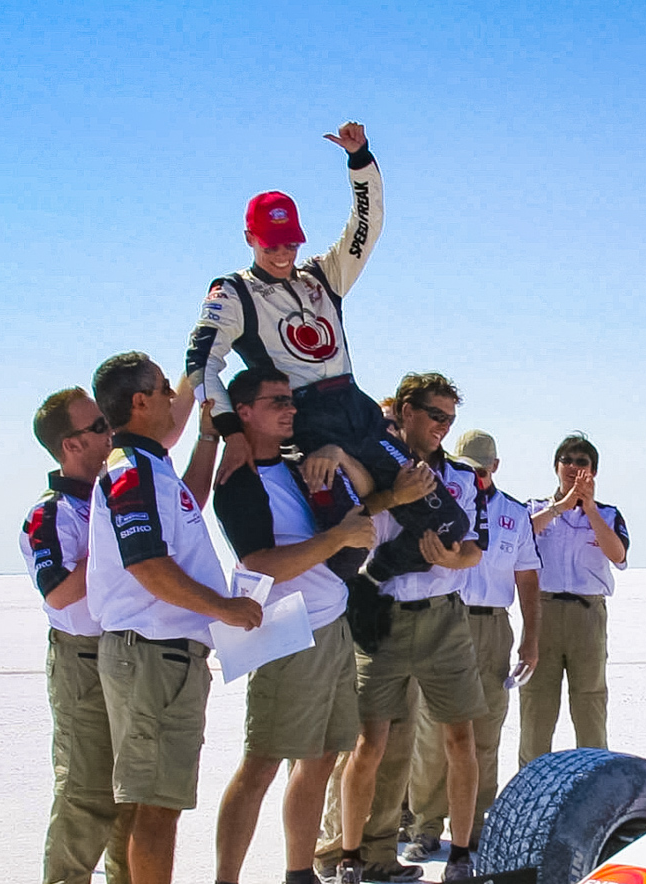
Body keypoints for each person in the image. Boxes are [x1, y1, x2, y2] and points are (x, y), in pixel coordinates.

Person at [182, 120, 467, 579]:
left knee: (451, 523)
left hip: (357, 409)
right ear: (249, 238)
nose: (283, 253)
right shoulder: (233, 292)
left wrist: (360, 162)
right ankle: (344, 602)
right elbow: (201, 366)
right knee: (346, 547)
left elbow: (366, 228)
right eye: (272, 244)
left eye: (291, 242)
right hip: (307, 422)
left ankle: (381, 580)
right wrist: (231, 430)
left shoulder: (321, 276)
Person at [86, 353, 262, 884]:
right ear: (138, 403)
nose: (172, 398)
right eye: (164, 389)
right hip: (152, 654)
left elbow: (192, 496)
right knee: (156, 805)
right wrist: (224, 608)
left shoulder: (153, 468)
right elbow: (148, 565)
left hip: (165, 655)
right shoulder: (130, 470)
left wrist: (212, 438)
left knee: (150, 801)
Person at [202, 368, 388, 884]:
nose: (290, 410)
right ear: (244, 411)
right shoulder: (237, 480)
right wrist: (339, 539)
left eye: (290, 400)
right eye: (276, 402)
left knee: (323, 757)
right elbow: (261, 563)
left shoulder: (291, 467)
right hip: (285, 633)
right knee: (262, 761)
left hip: (329, 625)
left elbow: (364, 505)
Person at [335, 373, 486, 884]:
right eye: (435, 415)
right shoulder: (373, 466)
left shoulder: (464, 478)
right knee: (368, 745)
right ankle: (350, 859)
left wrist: (452, 557)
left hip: (445, 618)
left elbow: (475, 548)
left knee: (459, 740)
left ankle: (462, 856)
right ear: (405, 411)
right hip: (386, 615)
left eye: (450, 418)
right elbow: (348, 522)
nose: (443, 427)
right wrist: (388, 494)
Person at [22, 387, 134, 884]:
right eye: (98, 426)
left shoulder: (114, 497)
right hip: (83, 659)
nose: (111, 432)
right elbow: (61, 593)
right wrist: (109, 541)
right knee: (86, 793)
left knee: (134, 790)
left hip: (126, 654)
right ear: (71, 444)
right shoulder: (52, 513)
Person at [406, 430, 541, 857]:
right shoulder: (440, 503)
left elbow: (527, 577)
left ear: (495, 467)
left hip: (491, 627)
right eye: (464, 467)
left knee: (486, 729)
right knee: (432, 730)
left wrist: (531, 639)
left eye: (479, 469)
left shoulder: (515, 514)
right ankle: (425, 825)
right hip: (444, 620)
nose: (472, 476)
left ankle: (478, 823)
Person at [521, 435, 628, 764]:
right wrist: (559, 509)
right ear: (556, 466)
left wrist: (590, 510)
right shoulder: (535, 509)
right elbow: (518, 538)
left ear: (593, 471)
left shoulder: (608, 514)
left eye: (582, 462)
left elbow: (618, 554)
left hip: (587, 615)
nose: (573, 467)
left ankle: (596, 783)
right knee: (537, 706)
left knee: (590, 704)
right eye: (567, 460)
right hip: (543, 612)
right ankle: (532, 787)